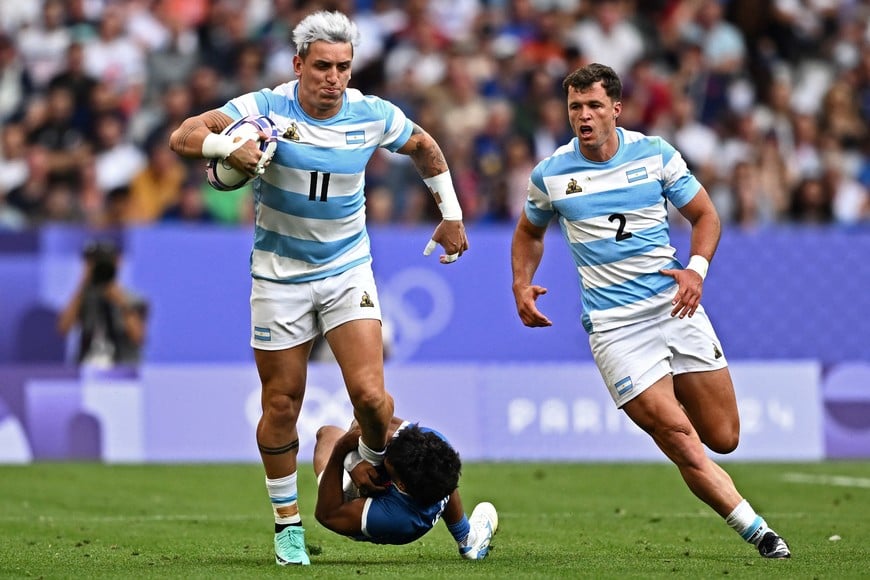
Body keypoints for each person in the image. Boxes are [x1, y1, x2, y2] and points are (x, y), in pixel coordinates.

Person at [168, 10, 469, 566]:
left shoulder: (371, 114)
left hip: (347, 270)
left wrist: (450, 213)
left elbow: (425, 145)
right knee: (281, 403)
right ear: (298, 64)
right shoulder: (263, 108)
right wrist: (225, 150)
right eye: (323, 66)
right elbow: (183, 135)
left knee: (372, 398)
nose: (334, 78)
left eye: (343, 67)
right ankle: (287, 526)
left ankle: (368, 465)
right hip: (279, 275)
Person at [510, 63, 791, 560]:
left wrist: (696, 270)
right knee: (679, 438)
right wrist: (521, 283)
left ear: (616, 109)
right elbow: (529, 232)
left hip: (674, 307)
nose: (583, 115)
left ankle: (667, 390)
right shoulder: (551, 174)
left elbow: (705, 215)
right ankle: (761, 534)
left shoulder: (656, 154)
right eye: (575, 107)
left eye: (594, 105)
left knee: (723, 437)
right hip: (615, 330)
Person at [313, 417, 497, 559]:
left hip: (366, 509)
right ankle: (466, 537)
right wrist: (355, 461)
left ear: (400, 484)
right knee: (441, 469)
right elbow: (365, 421)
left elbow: (327, 515)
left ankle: (465, 535)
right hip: (420, 487)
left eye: (388, 458)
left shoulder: (394, 518)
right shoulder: (431, 441)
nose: (389, 448)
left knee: (328, 433)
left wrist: (343, 453)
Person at [57, 239, 148, 369]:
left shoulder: (134, 299)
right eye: (93, 261)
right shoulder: (83, 298)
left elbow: (138, 337)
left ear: (118, 262)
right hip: (87, 367)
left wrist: (121, 302)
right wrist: (83, 285)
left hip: (123, 368)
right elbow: (63, 328)